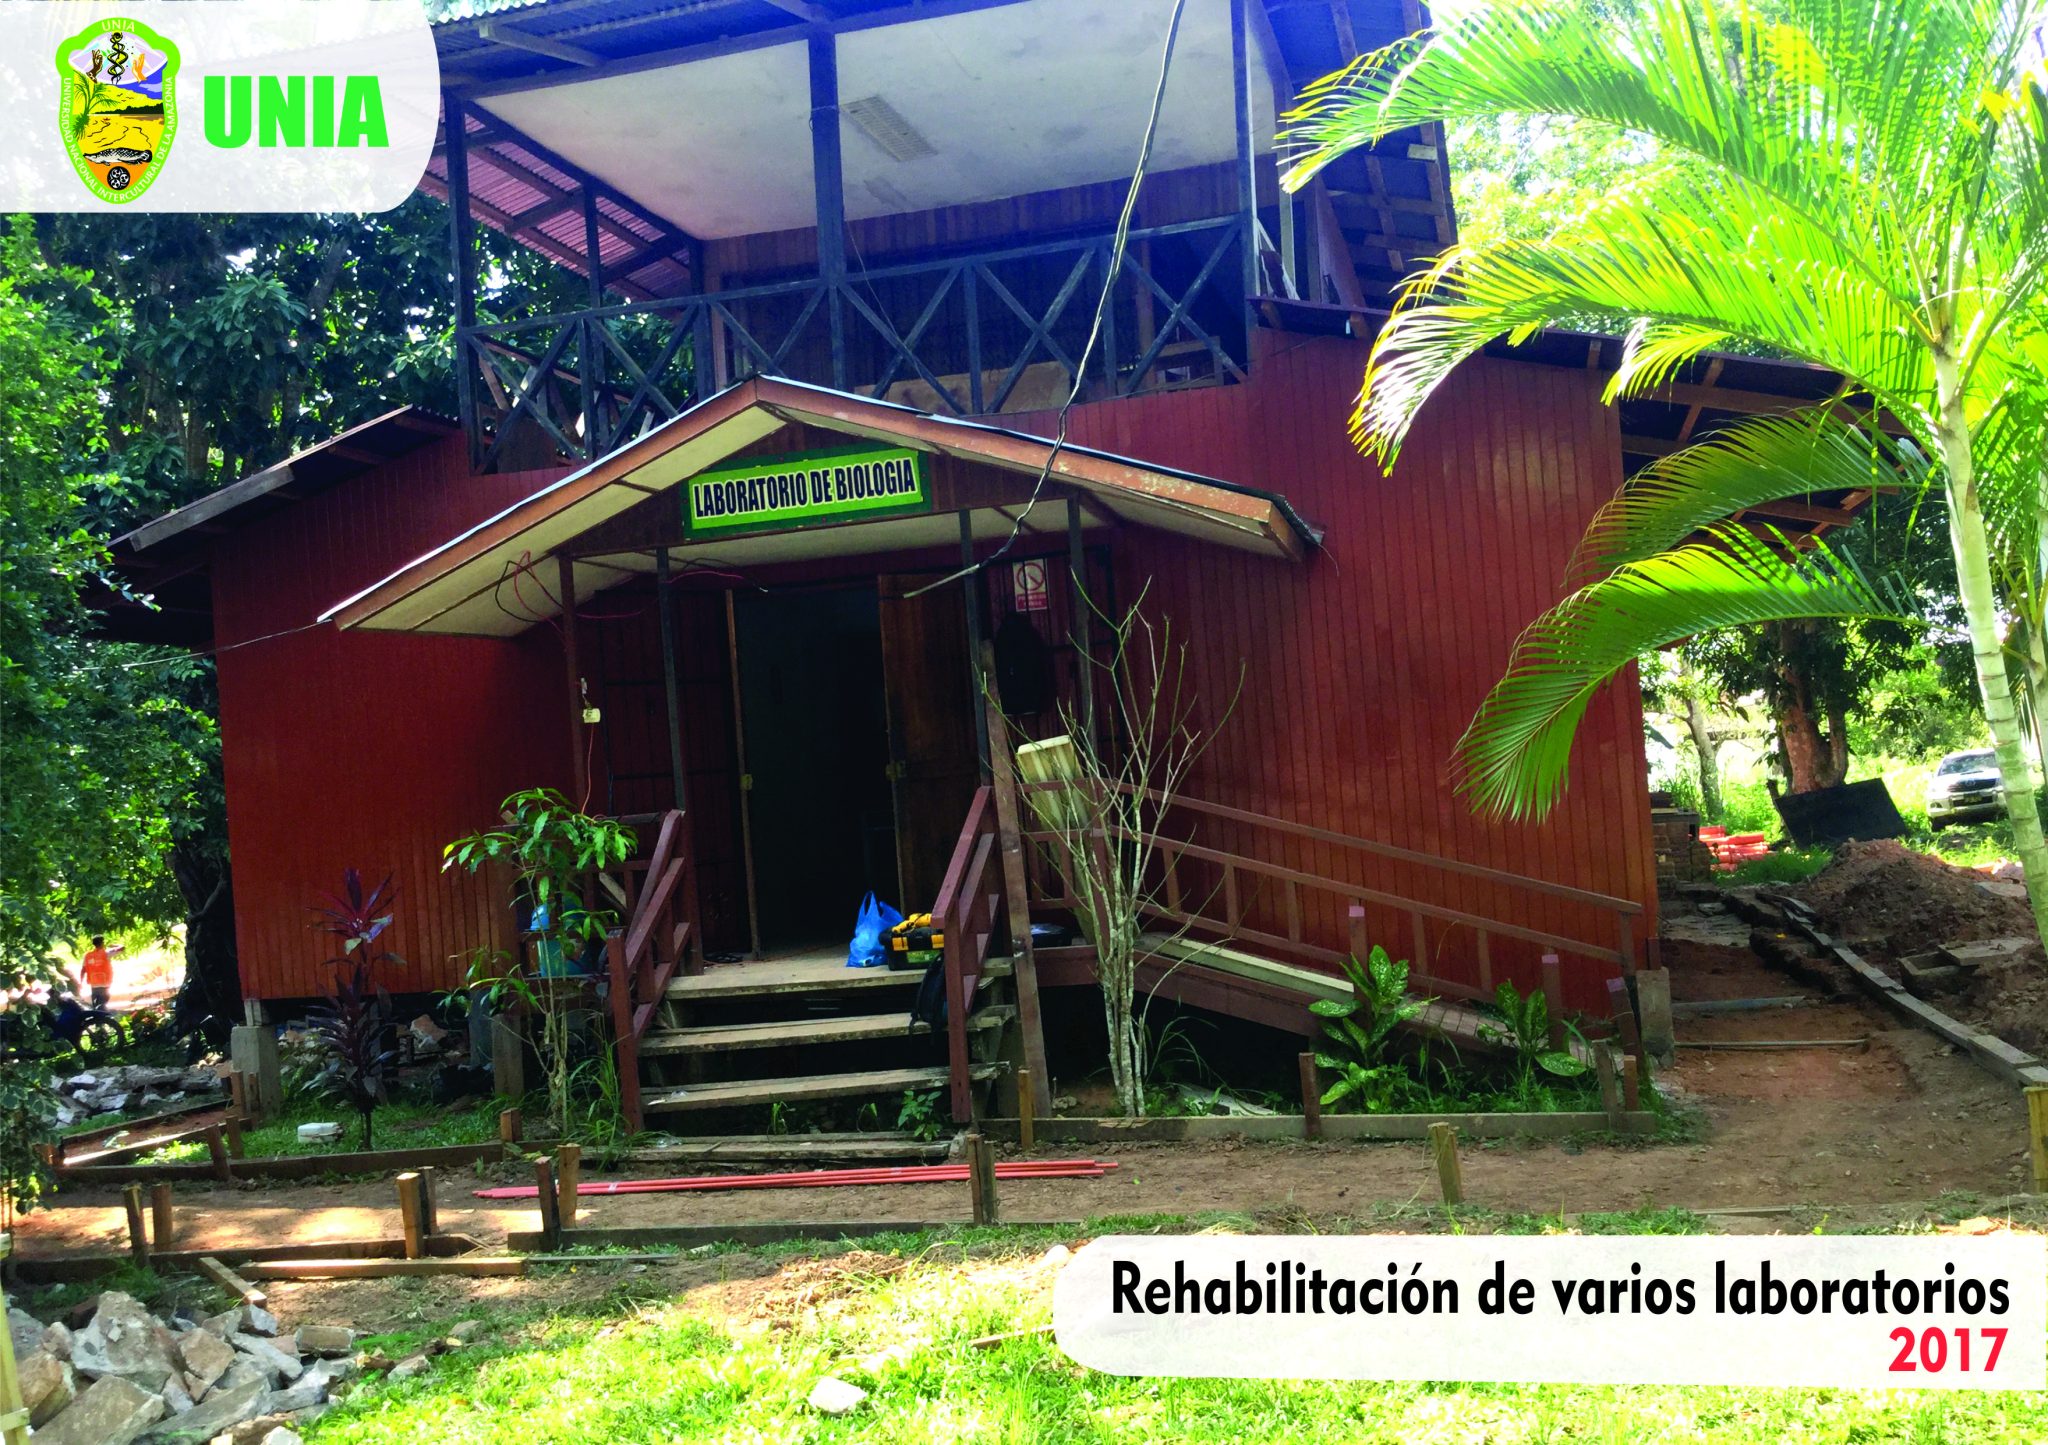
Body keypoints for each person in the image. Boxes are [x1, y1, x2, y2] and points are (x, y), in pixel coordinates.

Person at [78, 934, 124, 1008]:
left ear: (94, 944)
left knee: (96, 1005)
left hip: (94, 985)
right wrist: (114, 945)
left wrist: (80, 982)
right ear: (102, 943)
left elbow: (83, 970)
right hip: (105, 984)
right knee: (102, 1005)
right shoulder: (107, 953)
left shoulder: (88, 955)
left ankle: (97, 1013)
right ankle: (101, 1013)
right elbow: (122, 948)